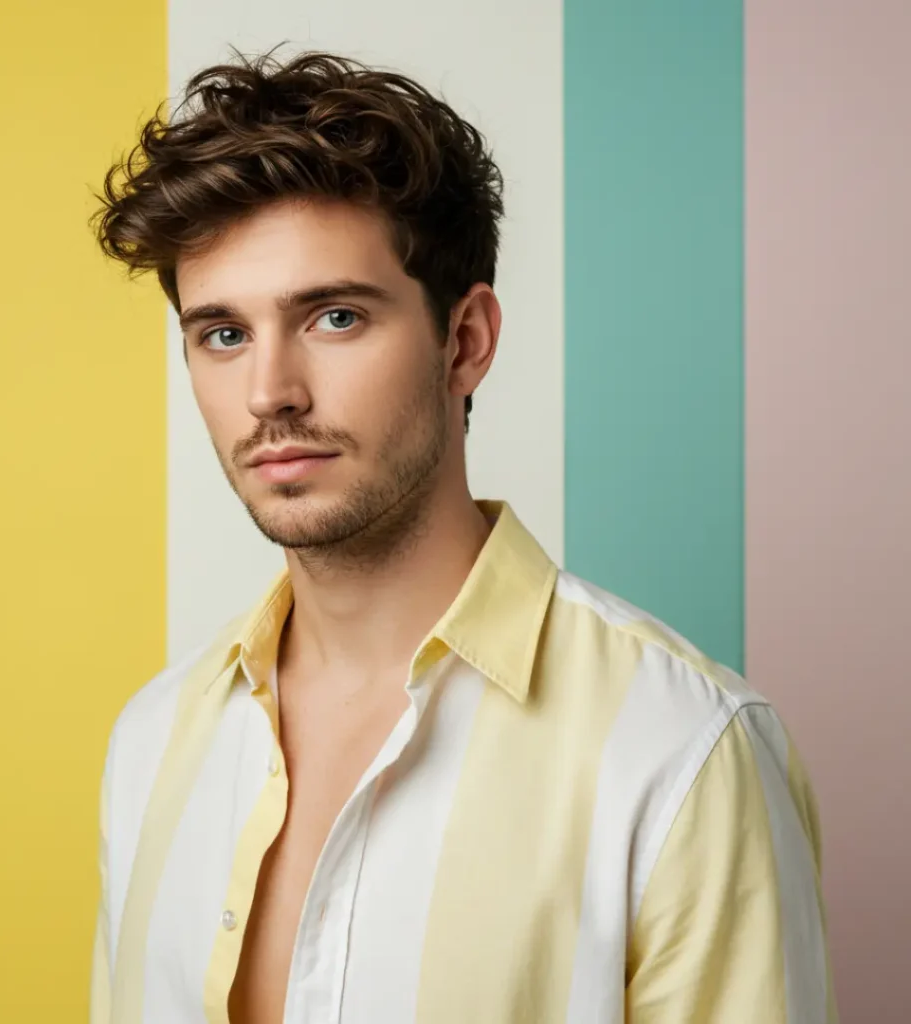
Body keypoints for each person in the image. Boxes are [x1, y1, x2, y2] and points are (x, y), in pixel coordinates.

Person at [87, 46, 836, 1024]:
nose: (269, 391)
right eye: (222, 333)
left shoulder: (679, 750)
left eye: (334, 315)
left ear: (465, 341)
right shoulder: (153, 745)